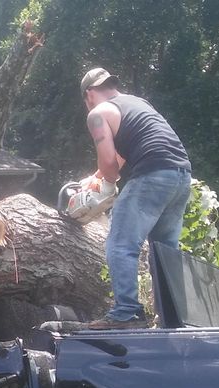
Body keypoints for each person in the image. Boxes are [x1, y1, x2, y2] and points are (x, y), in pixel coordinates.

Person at [80, 67, 193, 329]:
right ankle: (173, 318)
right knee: (164, 252)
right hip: (181, 175)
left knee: (120, 244)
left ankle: (127, 313)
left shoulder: (97, 114)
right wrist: (95, 177)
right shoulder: (137, 103)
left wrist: (101, 189)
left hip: (153, 174)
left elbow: (111, 166)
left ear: (89, 94)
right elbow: (121, 156)